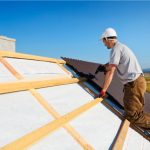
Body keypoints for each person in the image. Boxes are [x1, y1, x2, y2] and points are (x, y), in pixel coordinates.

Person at [98, 27, 150, 130]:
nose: (104, 44)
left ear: (107, 39)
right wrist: (104, 67)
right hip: (137, 82)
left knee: (132, 115)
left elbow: (111, 72)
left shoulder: (115, 50)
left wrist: (103, 91)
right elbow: (113, 64)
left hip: (133, 84)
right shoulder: (121, 47)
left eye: (104, 41)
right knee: (136, 113)